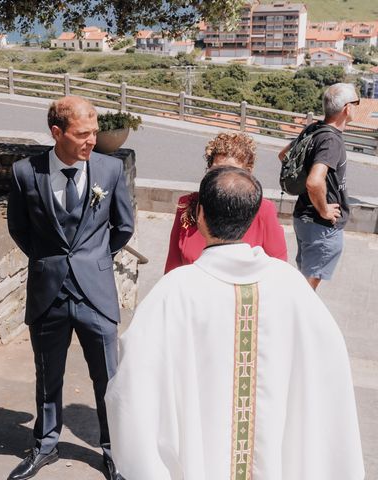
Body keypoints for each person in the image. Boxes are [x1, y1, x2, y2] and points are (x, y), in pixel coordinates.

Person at [106, 166, 364, 480]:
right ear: (253, 217)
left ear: (199, 214)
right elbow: (330, 374)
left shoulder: (173, 293)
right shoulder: (293, 288)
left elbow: (130, 392)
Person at [7, 96, 134, 480]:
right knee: (48, 374)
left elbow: (123, 226)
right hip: (49, 293)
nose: (92, 141)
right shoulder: (25, 173)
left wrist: (92, 261)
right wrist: (51, 262)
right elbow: (19, 229)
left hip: (95, 292)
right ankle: (45, 445)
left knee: (109, 378)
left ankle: (115, 451)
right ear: (56, 132)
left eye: (94, 132)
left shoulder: (110, 170)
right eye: (82, 134)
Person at [165, 132, 286, 273]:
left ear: (247, 175)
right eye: (217, 170)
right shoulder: (188, 204)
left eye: (232, 172)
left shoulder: (263, 210)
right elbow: (172, 267)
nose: (222, 178)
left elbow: (278, 268)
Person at [279, 83, 357, 290]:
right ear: (347, 109)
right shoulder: (332, 140)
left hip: (303, 217)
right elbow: (314, 181)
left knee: (303, 279)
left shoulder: (313, 128)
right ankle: (294, 321)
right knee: (306, 290)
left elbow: (283, 155)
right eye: (356, 103)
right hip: (320, 226)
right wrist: (324, 210)